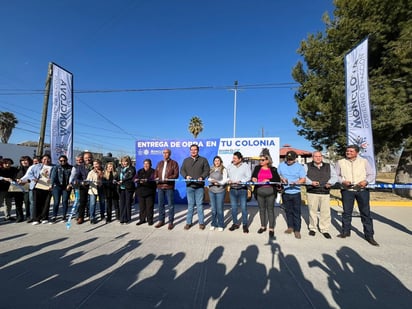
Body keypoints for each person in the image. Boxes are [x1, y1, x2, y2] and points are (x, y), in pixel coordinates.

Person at [335, 145, 379, 246]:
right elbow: (336, 175)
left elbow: (371, 174)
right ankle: (345, 232)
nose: (348, 153)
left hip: (362, 190)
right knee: (346, 213)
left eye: (351, 151)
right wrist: (342, 181)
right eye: (347, 151)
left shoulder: (364, 161)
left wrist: (366, 181)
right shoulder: (340, 162)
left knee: (365, 213)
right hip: (347, 190)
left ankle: (369, 236)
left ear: (357, 153)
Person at [304, 151, 338, 239]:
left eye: (319, 156)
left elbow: (335, 176)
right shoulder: (306, 166)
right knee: (312, 211)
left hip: (325, 192)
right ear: (312, 157)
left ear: (321, 157)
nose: (318, 158)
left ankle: (324, 229)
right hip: (312, 192)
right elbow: (303, 177)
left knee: (325, 212)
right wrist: (310, 182)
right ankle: (313, 228)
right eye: (316, 156)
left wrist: (330, 183)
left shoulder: (328, 166)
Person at [180, 144, 210, 230]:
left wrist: (202, 177)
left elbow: (207, 170)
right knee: (190, 205)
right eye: (192, 150)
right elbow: (182, 170)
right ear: (190, 151)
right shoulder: (186, 160)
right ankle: (188, 223)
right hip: (189, 186)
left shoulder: (203, 160)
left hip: (199, 186)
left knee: (199, 205)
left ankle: (201, 223)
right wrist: (186, 176)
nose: (193, 151)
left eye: (195, 150)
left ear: (198, 150)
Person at [251, 152, 281, 238]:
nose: (260, 161)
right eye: (260, 160)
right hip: (259, 192)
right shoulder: (257, 168)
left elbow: (277, 179)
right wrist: (253, 178)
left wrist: (268, 179)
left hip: (270, 192)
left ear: (268, 160)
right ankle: (263, 226)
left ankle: (271, 228)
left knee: (270, 210)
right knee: (261, 210)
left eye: (263, 160)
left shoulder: (273, 169)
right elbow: (253, 177)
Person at [278, 151, 306, 239]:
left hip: (296, 193)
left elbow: (303, 179)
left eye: (291, 159)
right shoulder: (281, 165)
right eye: (288, 159)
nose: (289, 161)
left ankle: (297, 230)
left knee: (296, 212)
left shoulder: (299, 167)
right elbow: (278, 175)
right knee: (288, 211)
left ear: (295, 159)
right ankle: (290, 227)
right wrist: (282, 178)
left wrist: (296, 182)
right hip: (285, 192)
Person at [19, 154, 54, 225]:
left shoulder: (54, 167)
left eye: (48, 159)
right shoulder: (36, 166)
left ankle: (45, 218)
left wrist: (52, 183)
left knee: (46, 203)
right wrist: (33, 179)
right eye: (44, 159)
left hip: (48, 187)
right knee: (36, 203)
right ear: (41, 160)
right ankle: (36, 219)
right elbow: (29, 174)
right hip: (37, 186)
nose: (46, 161)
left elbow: (55, 176)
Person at [154, 148, 179, 230]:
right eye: (163, 153)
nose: (165, 154)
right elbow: (155, 174)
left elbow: (176, 175)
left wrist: (167, 178)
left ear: (170, 154)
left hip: (169, 187)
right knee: (160, 205)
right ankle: (161, 221)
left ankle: (171, 222)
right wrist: (156, 178)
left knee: (170, 205)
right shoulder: (159, 163)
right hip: (160, 187)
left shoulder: (174, 163)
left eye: (166, 153)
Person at [227, 151, 252, 233]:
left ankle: (245, 225)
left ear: (240, 159)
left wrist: (241, 181)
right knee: (233, 208)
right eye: (233, 158)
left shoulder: (246, 166)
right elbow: (226, 176)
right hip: (232, 190)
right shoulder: (230, 166)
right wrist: (228, 180)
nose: (233, 159)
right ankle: (235, 224)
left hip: (242, 189)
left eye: (235, 158)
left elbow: (249, 176)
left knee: (244, 208)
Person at [208, 156, 228, 231]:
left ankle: (221, 225)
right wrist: (211, 180)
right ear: (213, 162)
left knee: (219, 209)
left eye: (218, 160)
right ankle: (213, 224)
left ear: (220, 161)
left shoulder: (224, 169)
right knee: (213, 209)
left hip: (220, 191)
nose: (217, 162)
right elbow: (208, 178)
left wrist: (218, 182)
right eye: (215, 161)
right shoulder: (211, 168)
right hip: (211, 190)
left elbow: (225, 180)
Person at [50, 155, 72, 223]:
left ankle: (64, 216)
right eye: (61, 161)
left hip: (66, 187)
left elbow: (73, 177)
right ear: (59, 161)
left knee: (65, 201)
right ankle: (54, 216)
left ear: (66, 160)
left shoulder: (70, 168)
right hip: (57, 186)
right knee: (56, 202)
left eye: (64, 160)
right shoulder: (56, 167)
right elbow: (53, 177)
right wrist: (51, 184)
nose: (63, 162)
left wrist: (70, 184)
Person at [68, 154, 89, 224]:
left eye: (81, 160)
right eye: (78, 160)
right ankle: (80, 217)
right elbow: (76, 177)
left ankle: (91, 215)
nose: (80, 161)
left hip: (92, 186)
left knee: (90, 202)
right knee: (81, 202)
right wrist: (81, 182)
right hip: (82, 186)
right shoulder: (79, 167)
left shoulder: (92, 166)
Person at [135, 159, 156, 226]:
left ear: (150, 164)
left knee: (149, 207)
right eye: (145, 164)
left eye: (147, 164)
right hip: (140, 191)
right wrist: (138, 181)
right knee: (142, 207)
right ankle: (142, 220)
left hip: (150, 191)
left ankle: (150, 220)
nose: (146, 165)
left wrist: (146, 180)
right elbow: (135, 178)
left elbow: (153, 179)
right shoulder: (140, 171)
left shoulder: (153, 171)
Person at [118, 155, 136, 224]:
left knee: (127, 203)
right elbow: (117, 176)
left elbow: (130, 176)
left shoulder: (132, 168)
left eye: (125, 161)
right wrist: (115, 180)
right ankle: (122, 217)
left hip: (128, 187)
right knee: (122, 203)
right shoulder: (120, 168)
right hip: (121, 188)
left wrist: (122, 180)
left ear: (128, 161)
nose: (124, 163)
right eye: (123, 161)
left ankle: (126, 218)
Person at [86, 159, 104, 224]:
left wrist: (101, 176)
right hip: (93, 189)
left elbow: (105, 179)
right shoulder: (91, 172)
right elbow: (87, 181)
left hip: (101, 189)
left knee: (102, 202)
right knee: (93, 203)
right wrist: (87, 182)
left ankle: (102, 215)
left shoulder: (103, 171)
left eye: (96, 164)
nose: (95, 165)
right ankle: (92, 217)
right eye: (94, 164)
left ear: (100, 164)